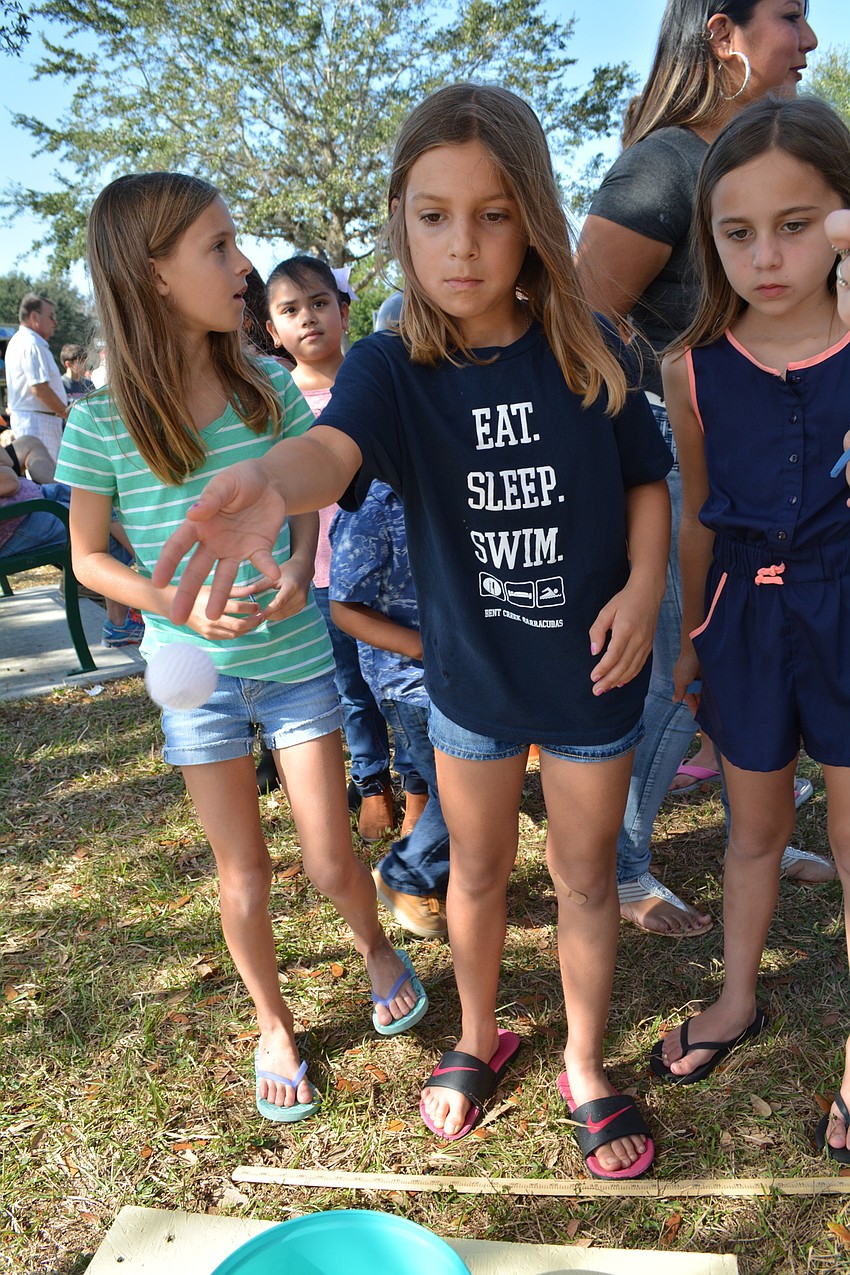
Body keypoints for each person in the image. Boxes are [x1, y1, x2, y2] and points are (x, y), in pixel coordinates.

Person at [153, 83, 674, 1178]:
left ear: (531, 216)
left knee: (584, 878)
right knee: (474, 874)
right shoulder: (393, 366)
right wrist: (268, 483)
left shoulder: (590, 346)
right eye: (433, 215)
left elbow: (645, 482)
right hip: (469, 685)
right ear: (400, 221)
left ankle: (584, 1062)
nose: (463, 246)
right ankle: (476, 1038)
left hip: (591, 676)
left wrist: (641, 585)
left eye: (492, 214)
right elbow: (331, 454)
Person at [54, 172, 428, 1124]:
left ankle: (377, 948)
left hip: (299, 658)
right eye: (218, 247)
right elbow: (91, 557)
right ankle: (274, 1021)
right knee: (242, 874)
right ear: (153, 273)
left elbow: (307, 498)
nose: (242, 265)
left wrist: (302, 567)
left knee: (333, 857)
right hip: (197, 681)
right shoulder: (101, 420)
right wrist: (169, 599)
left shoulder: (264, 389)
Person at [576, 0, 829, 938]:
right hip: (681, 459)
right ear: (722, 32)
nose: (809, 41)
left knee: (753, 655)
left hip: (775, 467)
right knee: (678, 672)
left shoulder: (770, 159)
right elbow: (585, 322)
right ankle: (623, 863)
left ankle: (759, 827)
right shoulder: (668, 163)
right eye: (791, 17)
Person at [648, 100, 850, 1163]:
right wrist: (691, 635)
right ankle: (735, 999)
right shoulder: (691, 364)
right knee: (753, 830)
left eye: (798, 223)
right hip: (744, 612)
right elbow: (693, 504)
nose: (767, 257)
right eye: (738, 232)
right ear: (708, 239)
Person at [264, 254, 421, 841]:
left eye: (320, 304)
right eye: (291, 310)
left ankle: (416, 788)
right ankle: (372, 781)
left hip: (393, 579)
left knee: (402, 688)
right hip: (322, 578)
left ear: (345, 310)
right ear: (274, 330)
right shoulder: (276, 400)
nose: (309, 319)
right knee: (350, 689)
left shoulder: (378, 377)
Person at [329, 480, 451, 938]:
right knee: (461, 797)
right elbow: (346, 607)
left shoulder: (459, 485)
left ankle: (430, 868)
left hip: (467, 676)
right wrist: (429, 650)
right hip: (412, 685)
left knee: (464, 789)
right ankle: (406, 873)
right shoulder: (374, 509)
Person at [1, 434, 142, 645]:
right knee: (95, 524)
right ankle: (143, 596)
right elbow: (8, 481)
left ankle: (147, 582)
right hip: (16, 520)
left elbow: (8, 462)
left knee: (92, 495)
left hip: (30, 500)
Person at [5, 293, 69, 461]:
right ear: (35, 317)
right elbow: (39, 388)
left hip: (36, 419)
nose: (55, 322)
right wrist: (67, 414)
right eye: (51, 316)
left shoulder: (23, 341)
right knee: (46, 479)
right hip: (38, 422)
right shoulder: (31, 344)